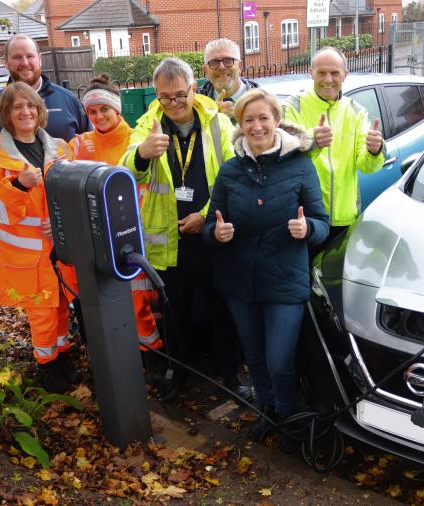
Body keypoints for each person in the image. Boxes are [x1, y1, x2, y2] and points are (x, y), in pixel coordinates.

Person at [203, 89, 329, 450]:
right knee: (254, 355)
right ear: (240, 126)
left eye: (263, 118)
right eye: (248, 120)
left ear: (276, 119)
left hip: (285, 278)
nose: (256, 126)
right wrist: (217, 233)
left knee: (279, 360)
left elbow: (322, 221)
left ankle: (289, 418)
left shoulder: (300, 165)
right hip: (239, 281)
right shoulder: (230, 170)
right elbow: (213, 224)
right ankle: (267, 411)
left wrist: (308, 230)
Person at [119, 58, 252, 401]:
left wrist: (205, 217)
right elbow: (126, 171)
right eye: (166, 98)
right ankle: (178, 374)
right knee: (174, 312)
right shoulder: (148, 123)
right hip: (169, 239)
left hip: (211, 236)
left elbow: (233, 178)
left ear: (194, 89)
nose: (175, 104)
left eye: (180, 95)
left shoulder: (219, 123)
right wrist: (143, 155)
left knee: (223, 309)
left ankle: (232, 374)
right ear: (157, 96)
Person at [0, 82, 77, 394]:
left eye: (30, 105)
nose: (25, 111)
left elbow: (74, 195)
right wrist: (17, 185)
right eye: (17, 107)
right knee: (41, 313)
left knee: (60, 307)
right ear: (7, 113)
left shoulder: (60, 147)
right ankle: (47, 367)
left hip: (59, 249)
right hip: (25, 257)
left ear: (39, 110)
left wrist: (62, 226)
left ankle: (63, 358)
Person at [68, 74, 164, 382]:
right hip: (97, 238)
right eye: (92, 112)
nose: (98, 117)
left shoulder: (136, 139)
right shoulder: (80, 144)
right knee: (108, 302)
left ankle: (153, 359)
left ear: (117, 109)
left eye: (104, 110)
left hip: (131, 235)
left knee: (139, 303)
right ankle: (122, 359)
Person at [282, 46, 385, 241]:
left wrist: (375, 150)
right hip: (303, 216)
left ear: (345, 75)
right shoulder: (293, 107)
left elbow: (366, 165)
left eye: (334, 73)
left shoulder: (357, 112)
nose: (328, 79)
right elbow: (281, 156)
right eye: (321, 72)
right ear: (311, 73)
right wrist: (311, 141)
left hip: (343, 218)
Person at [0, 35, 89, 155]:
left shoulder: (68, 100)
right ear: (6, 62)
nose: (24, 63)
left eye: (30, 56)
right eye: (17, 57)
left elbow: (92, 144)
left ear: (40, 59)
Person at [199, 38, 258, 122]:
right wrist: (212, 119)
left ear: (240, 66)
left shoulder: (263, 100)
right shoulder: (195, 104)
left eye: (228, 61)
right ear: (206, 70)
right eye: (214, 62)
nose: (222, 67)